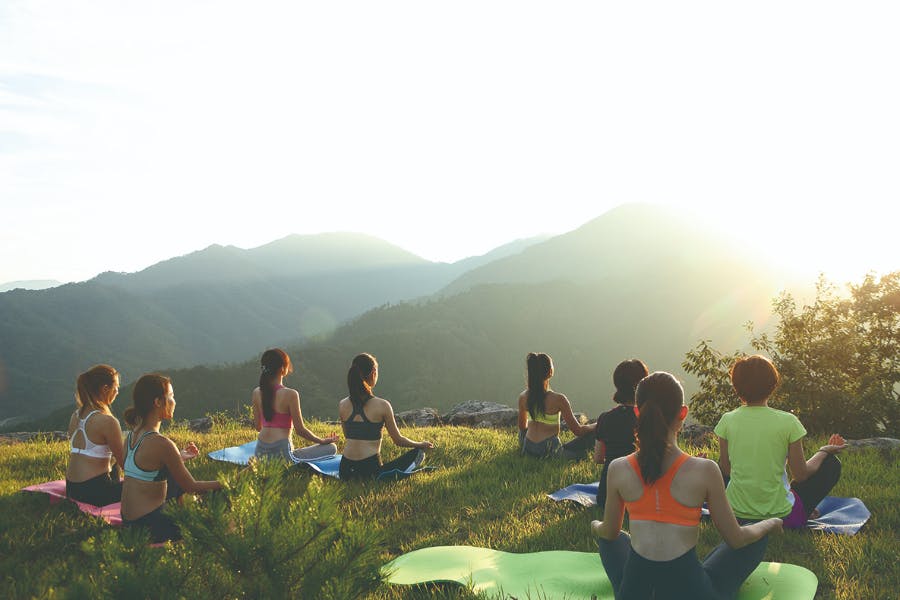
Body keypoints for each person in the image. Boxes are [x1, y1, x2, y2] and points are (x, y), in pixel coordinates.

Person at [591, 372, 782, 599]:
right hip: (693, 593)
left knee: (616, 539)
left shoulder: (618, 468)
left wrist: (595, 525)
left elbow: (610, 532)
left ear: (637, 413)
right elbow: (736, 539)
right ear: (683, 413)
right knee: (753, 536)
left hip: (635, 593)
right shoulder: (705, 470)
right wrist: (769, 523)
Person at [715, 355, 846, 532]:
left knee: (715, 466)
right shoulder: (788, 422)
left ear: (737, 387)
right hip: (783, 517)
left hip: (735, 516)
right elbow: (800, 474)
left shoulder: (727, 420)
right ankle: (802, 509)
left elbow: (726, 468)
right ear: (772, 385)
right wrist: (824, 451)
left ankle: (782, 502)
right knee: (831, 464)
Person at [120, 374, 222, 543]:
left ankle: (187, 509)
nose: (174, 401)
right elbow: (192, 486)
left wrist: (177, 458)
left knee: (173, 479)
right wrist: (230, 482)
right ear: (158, 402)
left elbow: (145, 469)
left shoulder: (131, 437)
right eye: (171, 396)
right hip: (150, 527)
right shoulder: (162, 443)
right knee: (218, 498)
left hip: (129, 522)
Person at [338, 353, 434, 480]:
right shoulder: (382, 405)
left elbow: (347, 435)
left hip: (345, 471)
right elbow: (398, 440)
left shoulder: (342, 404)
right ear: (373, 373)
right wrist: (420, 444)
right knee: (418, 453)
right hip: (370, 472)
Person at [251, 348, 338, 463]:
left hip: (260, 452)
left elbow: (258, 427)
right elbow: (300, 430)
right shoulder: (290, 394)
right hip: (283, 456)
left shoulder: (256, 392)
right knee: (331, 448)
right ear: (282, 369)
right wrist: (321, 441)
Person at [65, 364, 126, 506]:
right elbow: (125, 464)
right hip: (95, 494)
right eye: (116, 387)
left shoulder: (75, 416)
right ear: (105, 389)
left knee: (114, 464)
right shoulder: (108, 421)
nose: (118, 391)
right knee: (154, 485)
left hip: (72, 489)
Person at [593, 359, 649, 509]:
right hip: (639, 496)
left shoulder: (604, 418)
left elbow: (598, 458)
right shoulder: (647, 419)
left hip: (606, 496)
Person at [517, 352, 596, 458]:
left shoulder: (523, 396)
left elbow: (522, 427)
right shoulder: (559, 399)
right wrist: (596, 425)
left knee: (524, 433)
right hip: (550, 449)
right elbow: (578, 431)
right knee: (593, 436)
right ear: (550, 372)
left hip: (528, 448)